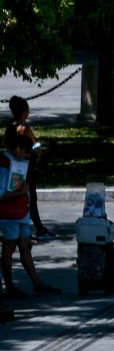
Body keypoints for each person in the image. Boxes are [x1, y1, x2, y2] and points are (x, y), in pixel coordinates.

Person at [0, 131, 56, 298]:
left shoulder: (19, 161)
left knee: (25, 246)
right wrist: (22, 191)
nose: (28, 155)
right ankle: (9, 286)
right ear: (17, 148)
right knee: (9, 248)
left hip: (21, 212)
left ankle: (37, 283)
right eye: (26, 151)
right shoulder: (4, 164)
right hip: (9, 214)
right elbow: (1, 194)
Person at [7, 97, 49, 239]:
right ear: (23, 111)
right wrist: (36, 142)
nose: (28, 114)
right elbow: (37, 149)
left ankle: (18, 226)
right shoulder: (24, 129)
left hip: (14, 165)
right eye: (27, 111)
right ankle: (38, 228)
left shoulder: (10, 126)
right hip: (27, 166)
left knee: (17, 195)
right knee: (31, 197)